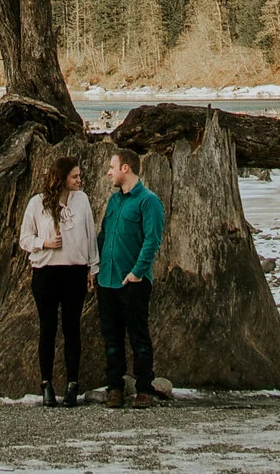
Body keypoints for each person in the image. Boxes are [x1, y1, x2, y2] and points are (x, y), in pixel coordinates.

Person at [18, 154, 96, 407]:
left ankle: (73, 384)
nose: (79, 180)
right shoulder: (37, 203)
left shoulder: (82, 200)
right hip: (46, 273)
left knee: (72, 328)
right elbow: (24, 239)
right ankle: (46, 384)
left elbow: (90, 235)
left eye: (79, 175)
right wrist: (44, 243)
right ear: (61, 178)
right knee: (47, 329)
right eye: (74, 176)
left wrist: (92, 269)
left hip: (74, 272)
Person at [96, 144, 164, 408]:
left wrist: (137, 272)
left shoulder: (149, 201)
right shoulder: (114, 201)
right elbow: (104, 235)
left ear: (126, 168)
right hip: (107, 279)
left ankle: (144, 388)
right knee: (111, 336)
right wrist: (94, 266)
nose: (108, 173)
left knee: (138, 336)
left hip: (133, 281)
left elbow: (152, 240)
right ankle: (115, 387)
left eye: (112, 168)